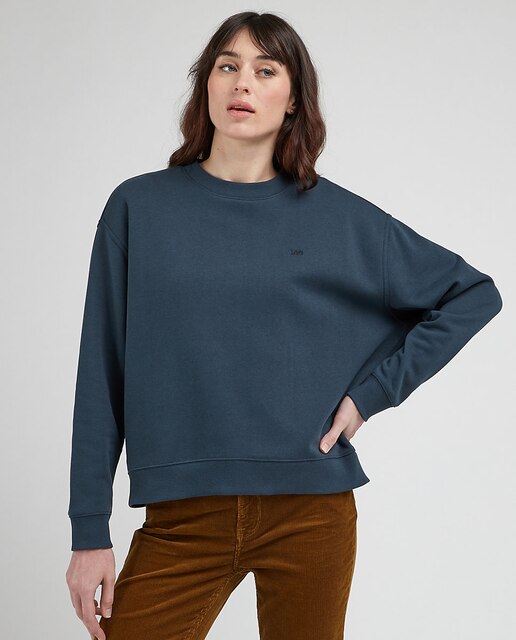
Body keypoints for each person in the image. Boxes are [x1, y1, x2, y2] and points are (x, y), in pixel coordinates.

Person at [65, 11, 503, 640]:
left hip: (312, 513)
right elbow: (99, 373)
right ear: (207, 85)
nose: (243, 82)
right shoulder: (139, 207)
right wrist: (88, 531)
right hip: (182, 518)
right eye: (227, 66)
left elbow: (471, 293)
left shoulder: (340, 218)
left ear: (293, 98)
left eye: (265, 70)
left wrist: (372, 394)